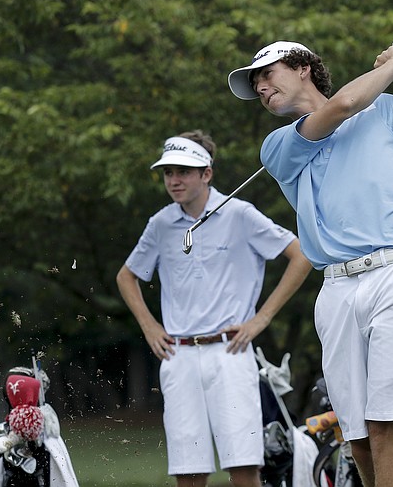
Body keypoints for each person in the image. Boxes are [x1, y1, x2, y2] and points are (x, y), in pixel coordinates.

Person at [227, 31, 393, 487]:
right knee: (360, 436)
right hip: (337, 289)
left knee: (388, 427)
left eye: (267, 75)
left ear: (302, 66)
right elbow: (343, 106)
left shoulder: (383, 110)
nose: (261, 89)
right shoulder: (277, 146)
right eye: (255, 86)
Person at [116, 129, 312, 487]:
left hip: (231, 352)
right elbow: (127, 276)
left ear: (207, 173)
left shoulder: (240, 214)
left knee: (243, 465)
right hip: (179, 356)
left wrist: (261, 319)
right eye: (168, 173)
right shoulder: (160, 224)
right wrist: (149, 326)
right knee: (188, 469)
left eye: (183, 172)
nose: (174, 180)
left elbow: (300, 254)